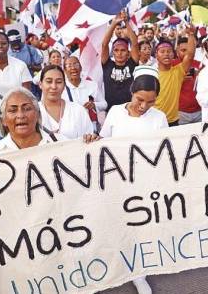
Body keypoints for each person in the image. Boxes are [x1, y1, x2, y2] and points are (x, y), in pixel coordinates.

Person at [0, 88, 98, 294]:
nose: (20, 115)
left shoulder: (62, 144)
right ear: (4, 120)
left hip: (66, 235)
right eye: (13, 110)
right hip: (24, 244)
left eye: (27, 108)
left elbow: (90, 181)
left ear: (37, 115)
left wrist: (93, 149)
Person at [98, 66, 166, 294]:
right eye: (140, 99)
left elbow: (165, 152)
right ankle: (120, 265)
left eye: (151, 101)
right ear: (131, 92)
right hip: (118, 181)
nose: (144, 106)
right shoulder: (115, 113)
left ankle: (139, 273)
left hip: (146, 182)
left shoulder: (160, 118)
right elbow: (103, 143)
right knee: (120, 226)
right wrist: (92, 139)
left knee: (141, 227)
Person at [37, 64, 95, 139]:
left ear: (64, 85)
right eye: (49, 81)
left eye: (59, 82)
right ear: (40, 84)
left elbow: (89, 140)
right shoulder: (33, 112)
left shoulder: (77, 110)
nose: (54, 86)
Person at [154, 27, 196, 126]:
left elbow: (190, 55)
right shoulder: (151, 73)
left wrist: (190, 35)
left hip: (173, 121)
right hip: (154, 121)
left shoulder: (178, 71)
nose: (166, 54)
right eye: (162, 51)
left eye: (169, 51)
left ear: (174, 54)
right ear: (156, 54)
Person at [101, 12, 140, 111]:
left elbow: (135, 44)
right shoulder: (107, 64)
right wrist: (113, 24)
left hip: (129, 109)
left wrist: (127, 23)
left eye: (123, 50)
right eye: (116, 50)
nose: (119, 53)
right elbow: (104, 45)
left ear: (128, 53)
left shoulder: (132, 64)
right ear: (112, 52)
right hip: (111, 110)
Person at [62, 56, 107, 131]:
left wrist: (94, 105)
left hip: (90, 127)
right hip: (69, 128)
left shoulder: (92, 85)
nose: (73, 68)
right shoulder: (61, 88)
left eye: (76, 65)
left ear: (81, 68)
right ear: (64, 70)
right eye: (69, 65)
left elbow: (104, 104)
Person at [174, 37, 202, 124]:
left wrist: (201, 76)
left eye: (189, 50)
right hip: (180, 112)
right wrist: (178, 78)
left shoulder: (200, 65)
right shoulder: (171, 66)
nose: (187, 53)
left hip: (199, 111)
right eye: (183, 50)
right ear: (177, 51)